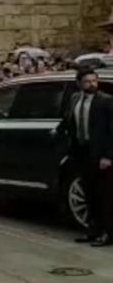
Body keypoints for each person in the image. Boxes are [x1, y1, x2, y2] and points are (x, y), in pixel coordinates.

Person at [57, 67, 113, 247]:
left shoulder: (106, 101)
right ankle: (92, 230)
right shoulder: (75, 99)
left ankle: (107, 233)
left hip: (99, 153)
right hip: (81, 151)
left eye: (94, 81)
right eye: (88, 81)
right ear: (79, 83)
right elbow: (69, 121)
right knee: (88, 192)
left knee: (104, 194)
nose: (92, 84)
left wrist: (107, 155)